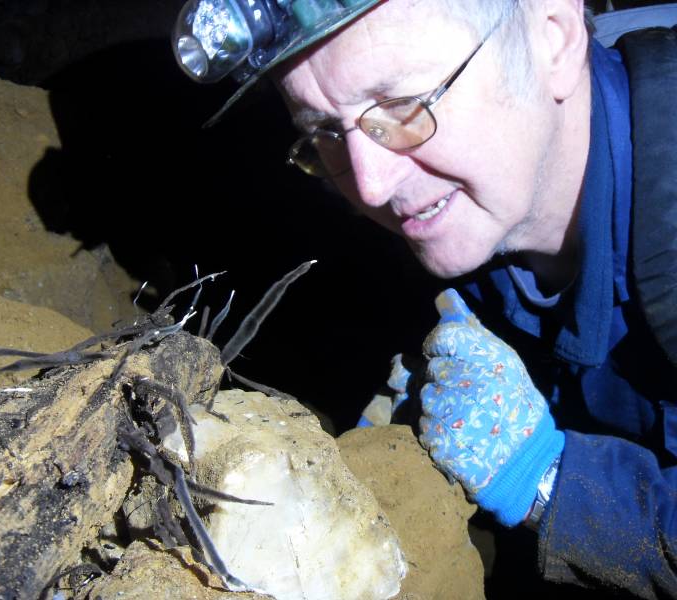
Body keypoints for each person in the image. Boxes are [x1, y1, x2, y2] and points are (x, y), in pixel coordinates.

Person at [172, 0, 677, 596]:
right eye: (325, 132)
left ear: (555, 38)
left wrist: (545, 477)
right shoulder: (480, 194)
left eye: (404, 104)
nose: (370, 185)